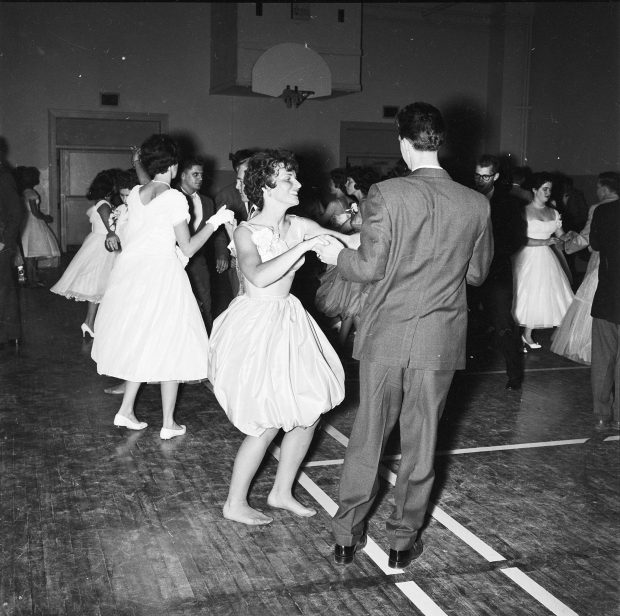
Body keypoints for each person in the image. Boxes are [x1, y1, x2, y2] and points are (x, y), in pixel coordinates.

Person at [315, 102, 493, 568]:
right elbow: (476, 275)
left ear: (402, 139)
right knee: (422, 443)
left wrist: (335, 255)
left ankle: (344, 536)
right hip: (440, 337)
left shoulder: (387, 193)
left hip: (386, 335)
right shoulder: (476, 203)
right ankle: (401, 542)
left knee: (369, 435)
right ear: (441, 141)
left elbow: (369, 266)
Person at [208, 149, 357, 525]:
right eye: (289, 179)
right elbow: (257, 276)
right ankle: (234, 502)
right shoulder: (246, 231)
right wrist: (303, 247)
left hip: (290, 320)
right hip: (256, 325)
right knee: (268, 420)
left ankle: (281, 491)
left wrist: (378, 228)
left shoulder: (299, 224)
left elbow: (347, 244)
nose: (299, 184)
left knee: (308, 414)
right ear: (266, 187)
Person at [91, 134, 233, 439]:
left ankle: (126, 410)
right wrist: (215, 222)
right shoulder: (173, 198)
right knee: (172, 341)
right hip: (162, 275)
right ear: (173, 165)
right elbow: (190, 246)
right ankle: (168, 422)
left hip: (132, 275)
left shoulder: (135, 195)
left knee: (141, 338)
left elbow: (145, 197)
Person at [551, 172, 620, 365]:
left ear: (605, 188)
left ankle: (592, 350)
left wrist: (567, 246)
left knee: (594, 306)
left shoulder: (598, 208)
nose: (597, 191)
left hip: (601, 263)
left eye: (598, 187)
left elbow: (588, 238)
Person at [50, 168, 125, 337]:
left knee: (99, 287)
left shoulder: (101, 202)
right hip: (103, 245)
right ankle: (90, 322)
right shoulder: (104, 205)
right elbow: (111, 229)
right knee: (100, 286)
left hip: (98, 242)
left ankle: (90, 323)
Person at [473, 154, 526, 390]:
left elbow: (517, 239)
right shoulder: (468, 197)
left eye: (485, 176)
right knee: (470, 320)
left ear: (495, 176)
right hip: (470, 271)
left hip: (497, 272)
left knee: (504, 323)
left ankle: (514, 375)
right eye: (477, 175)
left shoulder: (509, 203)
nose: (480, 180)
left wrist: (491, 250)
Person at [315, 167, 381, 348]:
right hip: (355, 252)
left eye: (350, 181)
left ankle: (357, 347)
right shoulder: (360, 203)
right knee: (352, 303)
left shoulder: (367, 203)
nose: (346, 184)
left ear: (359, 184)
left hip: (360, 255)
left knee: (354, 303)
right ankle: (345, 345)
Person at [512, 172, 574, 349]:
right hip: (527, 256)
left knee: (543, 295)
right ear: (534, 190)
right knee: (525, 295)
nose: (548, 192)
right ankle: (520, 336)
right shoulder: (523, 211)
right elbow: (519, 238)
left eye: (550, 189)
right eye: (544, 189)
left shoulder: (553, 212)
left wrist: (568, 236)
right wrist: (544, 241)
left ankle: (527, 335)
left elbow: (560, 236)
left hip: (546, 258)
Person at [176, 156, 228, 332]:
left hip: (199, 262)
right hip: (174, 262)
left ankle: (205, 343)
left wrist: (222, 253)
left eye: (201, 175)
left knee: (205, 303)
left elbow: (217, 231)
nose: (200, 178)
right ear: (182, 175)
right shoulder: (171, 198)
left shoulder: (207, 201)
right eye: (195, 174)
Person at [589, 176, 619, 431]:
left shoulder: (604, 211)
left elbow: (595, 244)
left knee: (603, 360)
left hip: (608, 296)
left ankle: (601, 415)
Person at [214, 149, 256, 302]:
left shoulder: (265, 198)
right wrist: (223, 254)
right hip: (236, 257)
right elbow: (220, 229)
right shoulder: (226, 195)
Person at [15, 166, 60, 287]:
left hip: (26, 221)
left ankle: (32, 278)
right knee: (31, 254)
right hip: (33, 223)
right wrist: (47, 218)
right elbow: (35, 212)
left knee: (30, 253)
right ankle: (32, 280)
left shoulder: (23, 192)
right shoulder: (31, 193)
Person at [0, 137, 24, 348]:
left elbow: (15, 214)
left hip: (0, 243)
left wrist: (5, 242)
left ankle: (9, 333)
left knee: (4, 289)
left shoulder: (4, 178)